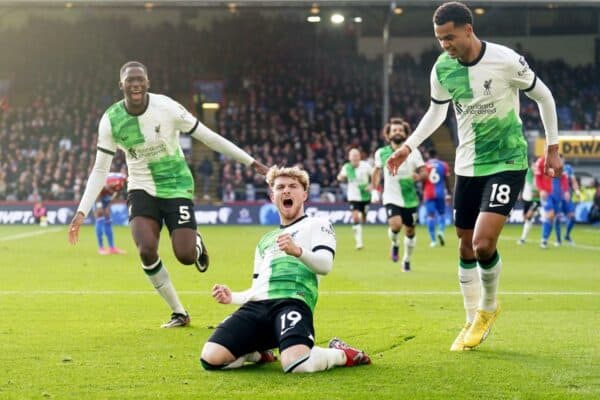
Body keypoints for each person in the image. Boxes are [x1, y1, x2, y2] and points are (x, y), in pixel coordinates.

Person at [386, 2, 562, 350]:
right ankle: (470, 319)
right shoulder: (442, 69)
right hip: (467, 165)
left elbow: (544, 97)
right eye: (439, 39)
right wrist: (408, 146)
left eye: (449, 37)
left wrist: (552, 148)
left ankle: (488, 307)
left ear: (468, 29)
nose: (445, 44)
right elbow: (436, 113)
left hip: (507, 161)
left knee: (483, 244)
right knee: (465, 245)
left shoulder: (506, 60)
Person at [68, 61, 268, 328]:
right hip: (141, 187)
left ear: (148, 83)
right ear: (122, 85)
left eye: (140, 79)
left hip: (176, 186)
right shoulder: (110, 120)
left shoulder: (168, 108)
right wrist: (82, 211)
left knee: (185, 256)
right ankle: (179, 312)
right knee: (146, 249)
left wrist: (252, 163)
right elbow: (100, 169)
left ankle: (195, 244)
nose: (136, 84)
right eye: (130, 80)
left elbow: (209, 137)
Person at [200, 166, 371, 373]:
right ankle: (256, 353)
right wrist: (232, 297)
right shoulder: (265, 241)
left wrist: (298, 251)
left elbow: (325, 266)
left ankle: (341, 354)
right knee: (210, 359)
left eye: (293, 186)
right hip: (257, 307)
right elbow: (257, 289)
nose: (286, 191)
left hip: (293, 302)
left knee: (295, 365)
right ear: (273, 197)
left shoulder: (318, 224)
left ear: (304, 194)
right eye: (280, 187)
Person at [372, 118, 427, 271]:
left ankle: (407, 260)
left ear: (406, 134)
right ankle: (395, 244)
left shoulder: (414, 152)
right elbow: (376, 172)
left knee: (410, 230)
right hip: (391, 195)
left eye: (400, 130)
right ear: (388, 135)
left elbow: (424, 171)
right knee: (395, 225)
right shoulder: (381, 153)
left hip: (410, 198)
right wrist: (374, 189)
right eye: (394, 130)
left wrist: (419, 176)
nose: (398, 132)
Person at [336, 148, 373, 249]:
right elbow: (340, 176)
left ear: (360, 157)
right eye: (353, 156)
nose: (355, 158)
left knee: (364, 217)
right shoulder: (347, 167)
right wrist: (340, 177)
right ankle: (359, 243)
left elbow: (375, 175)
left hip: (365, 196)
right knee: (356, 217)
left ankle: (364, 215)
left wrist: (372, 185)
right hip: (353, 196)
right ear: (349, 157)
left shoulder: (366, 166)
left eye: (356, 155)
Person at [534, 155, 569, 249]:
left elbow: (564, 179)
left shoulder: (561, 168)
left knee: (555, 218)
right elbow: (538, 177)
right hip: (548, 194)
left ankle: (557, 240)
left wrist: (565, 191)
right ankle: (544, 240)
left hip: (558, 196)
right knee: (550, 215)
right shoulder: (544, 164)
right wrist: (541, 190)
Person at [423, 148, 451, 247]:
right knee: (442, 214)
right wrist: (449, 193)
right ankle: (441, 231)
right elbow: (447, 180)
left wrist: (424, 191)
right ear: (436, 155)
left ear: (428, 156)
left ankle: (433, 241)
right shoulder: (443, 165)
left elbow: (423, 180)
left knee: (430, 216)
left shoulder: (425, 166)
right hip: (440, 193)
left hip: (429, 193)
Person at [94, 172, 127, 255]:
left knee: (108, 220)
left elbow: (117, 192)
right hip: (97, 196)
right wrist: (99, 206)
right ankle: (101, 248)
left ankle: (112, 248)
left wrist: (109, 205)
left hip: (106, 198)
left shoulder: (123, 182)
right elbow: (97, 192)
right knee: (100, 218)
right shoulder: (108, 182)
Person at [517, 162, 541, 245]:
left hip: (536, 199)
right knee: (526, 219)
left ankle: (523, 238)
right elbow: (529, 183)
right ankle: (523, 238)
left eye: (536, 166)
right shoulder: (529, 172)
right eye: (534, 166)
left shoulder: (540, 174)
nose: (535, 167)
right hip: (527, 199)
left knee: (528, 216)